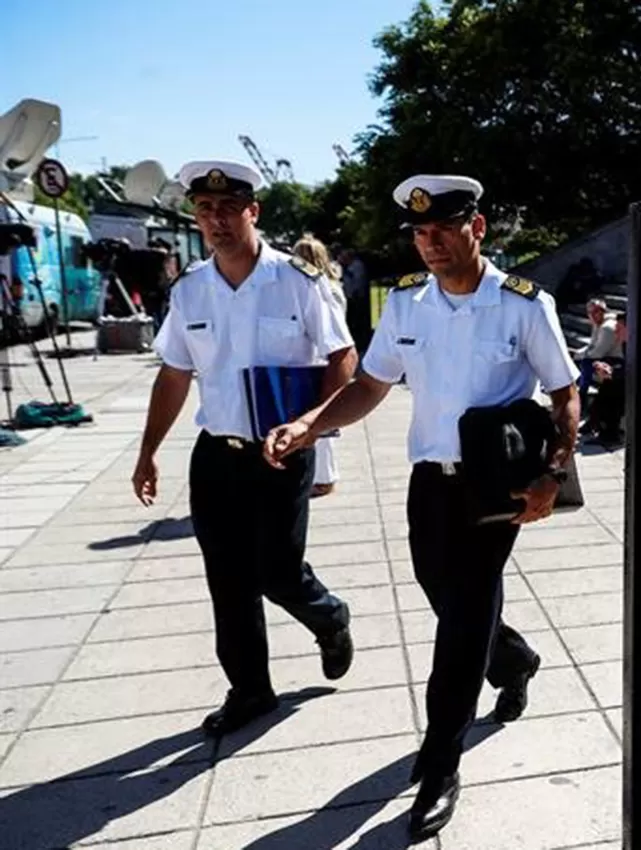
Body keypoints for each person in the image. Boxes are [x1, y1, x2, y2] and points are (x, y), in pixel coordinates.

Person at [262, 174, 580, 840]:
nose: (429, 244)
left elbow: (564, 394)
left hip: (496, 486)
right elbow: (371, 385)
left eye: (442, 229)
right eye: (419, 233)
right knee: (446, 598)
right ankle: (514, 659)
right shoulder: (406, 304)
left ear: (478, 228)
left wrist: (553, 474)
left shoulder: (524, 304)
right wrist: (311, 425)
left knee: (459, 626)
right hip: (428, 483)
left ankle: (440, 763)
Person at [132, 160, 357, 737]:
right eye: (205, 210)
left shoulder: (300, 281)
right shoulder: (191, 290)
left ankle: (329, 615)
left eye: (229, 209)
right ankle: (251, 690)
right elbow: (175, 373)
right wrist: (149, 449)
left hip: (280, 452)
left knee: (277, 572)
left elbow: (342, 359)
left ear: (253, 211)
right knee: (227, 580)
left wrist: (311, 427)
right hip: (215, 456)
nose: (217, 220)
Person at [293, 236, 347, 497]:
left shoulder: (321, 288)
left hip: (321, 359)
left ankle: (325, 478)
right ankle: (323, 475)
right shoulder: (332, 285)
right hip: (321, 358)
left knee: (320, 421)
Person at [586, 311, 627, 446]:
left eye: (619, 328)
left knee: (610, 390)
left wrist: (613, 373)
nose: (616, 331)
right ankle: (598, 425)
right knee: (606, 388)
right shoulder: (625, 343)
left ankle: (608, 431)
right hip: (623, 378)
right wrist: (609, 370)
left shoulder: (634, 345)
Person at [573, 297, 623, 405]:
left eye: (595, 312)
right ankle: (579, 390)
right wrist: (577, 353)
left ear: (603, 311)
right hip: (606, 355)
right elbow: (592, 345)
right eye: (589, 312)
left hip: (617, 360)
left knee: (586, 362)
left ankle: (582, 396)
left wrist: (579, 355)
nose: (591, 315)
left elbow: (597, 353)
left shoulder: (608, 327)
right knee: (580, 360)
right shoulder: (598, 323)